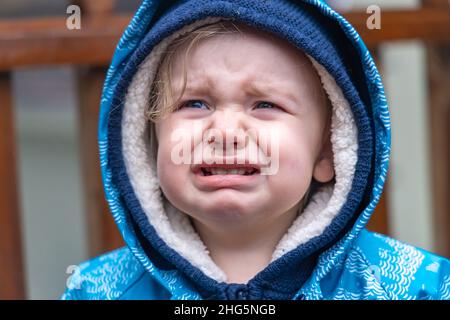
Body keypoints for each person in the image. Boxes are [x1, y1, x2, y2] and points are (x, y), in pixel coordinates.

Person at [62, 0, 449, 300]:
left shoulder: (412, 285)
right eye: (195, 103)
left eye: (265, 105)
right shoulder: (97, 289)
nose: (226, 131)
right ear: (148, 142)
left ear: (330, 151)